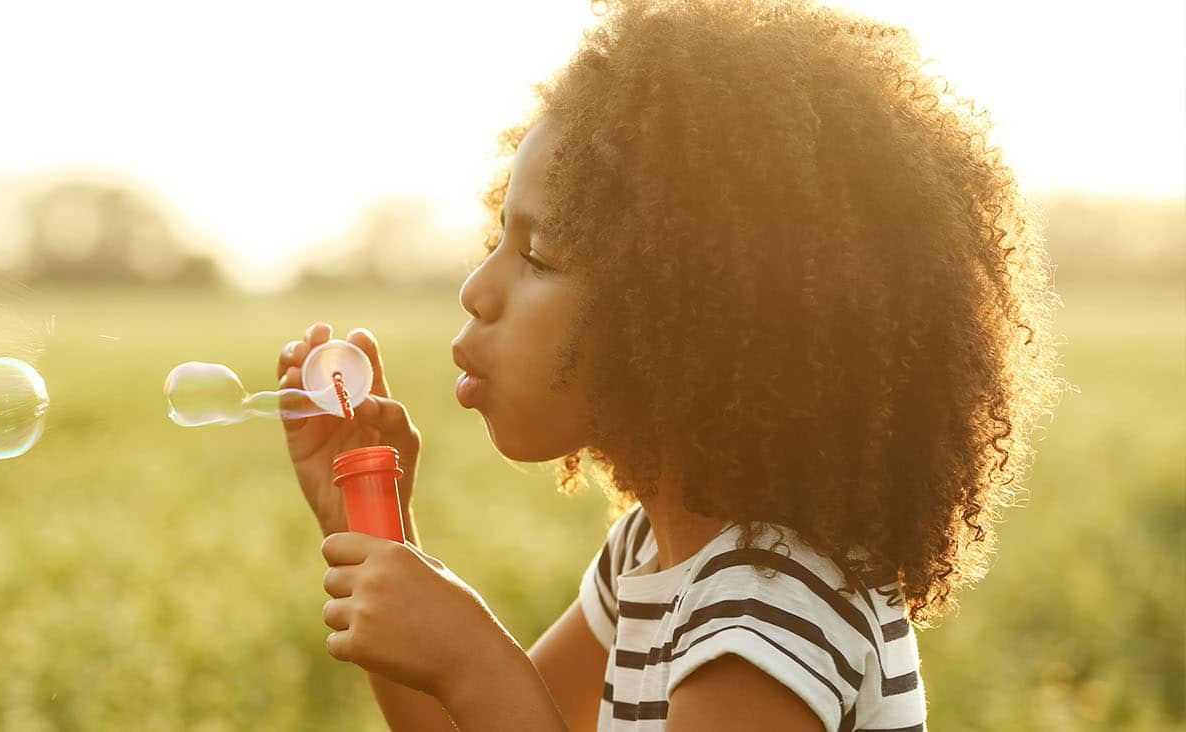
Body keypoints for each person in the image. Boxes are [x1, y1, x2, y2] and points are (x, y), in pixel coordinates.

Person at [273, 1, 1062, 729]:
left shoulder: (770, 608)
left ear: (696, 314)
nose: (477, 290)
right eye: (496, 244)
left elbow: (495, 703)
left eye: (538, 256)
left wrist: (474, 657)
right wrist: (375, 528)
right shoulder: (649, 558)